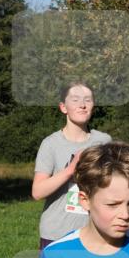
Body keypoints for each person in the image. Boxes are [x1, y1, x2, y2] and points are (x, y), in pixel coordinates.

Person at [32, 82, 111, 248]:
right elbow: (37, 192)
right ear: (63, 107)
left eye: (88, 100)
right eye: (75, 100)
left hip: (94, 233)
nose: (82, 105)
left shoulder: (104, 141)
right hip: (56, 235)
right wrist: (70, 170)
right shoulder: (51, 144)